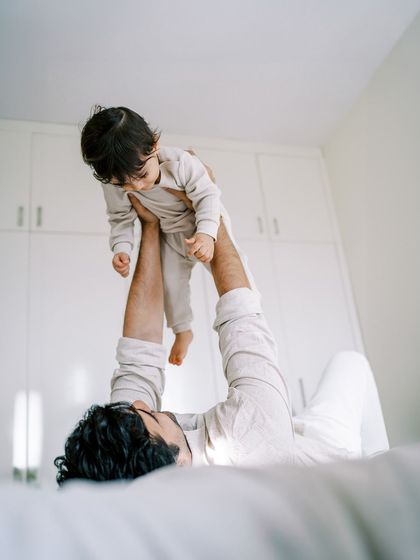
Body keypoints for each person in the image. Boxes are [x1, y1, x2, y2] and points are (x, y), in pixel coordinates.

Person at [54, 195, 389, 484]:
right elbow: (241, 317)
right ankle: (377, 473)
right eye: (150, 417)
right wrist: (206, 212)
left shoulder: (126, 463)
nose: (142, 405)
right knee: (351, 363)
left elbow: (139, 354)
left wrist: (150, 226)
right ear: (175, 465)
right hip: (324, 453)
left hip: (287, 434)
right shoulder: (250, 443)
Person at [81, 105, 253, 366]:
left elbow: (208, 195)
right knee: (171, 284)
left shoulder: (181, 162)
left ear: (154, 145)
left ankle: (252, 313)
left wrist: (207, 234)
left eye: (141, 175)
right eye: (123, 184)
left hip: (201, 221)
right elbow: (120, 218)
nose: (137, 187)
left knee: (233, 269)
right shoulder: (114, 185)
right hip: (170, 235)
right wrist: (122, 249)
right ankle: (183, 330)